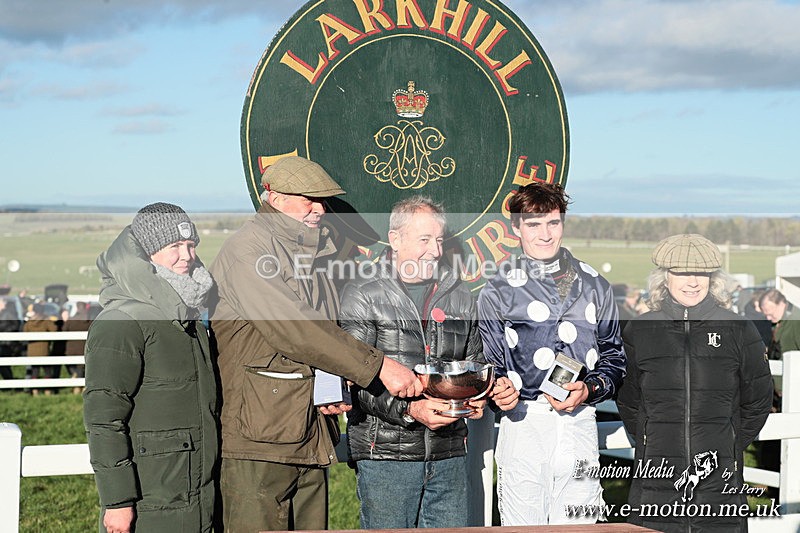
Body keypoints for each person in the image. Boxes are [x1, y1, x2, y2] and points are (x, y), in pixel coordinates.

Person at [209, 156, 421, 531]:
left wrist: (333, 384)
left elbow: (325, 335)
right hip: (260, 438)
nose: (319, 208)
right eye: (308, 198)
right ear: (273, 197)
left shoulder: (310, 252)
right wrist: (379, 366)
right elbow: (294, 330)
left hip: (306, 430)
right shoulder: (249, 251)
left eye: (322, 199)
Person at [339, 196, 520, 529]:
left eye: (438, 240)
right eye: (425, 239)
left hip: (448, 455)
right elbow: (352, 382)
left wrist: (489, 393)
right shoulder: (361, 294)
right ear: (395, 239)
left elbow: (474, 365)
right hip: (387, 459)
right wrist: (410, 411)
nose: (435, 250)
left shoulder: (461, 296)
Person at [477, 183, 625, 525]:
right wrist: (499, 389)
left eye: (553, 223)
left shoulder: (596, 285)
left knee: (580, 526)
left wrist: (590, 389)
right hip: (525, 423)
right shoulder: (497, 291)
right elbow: (491, 365)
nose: (544, 234)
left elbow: (615, 358)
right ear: (516, 228)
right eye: (533, 224)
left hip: (580, 424)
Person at [617, 233, 772, 533]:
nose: (692, 281)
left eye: (700, 273)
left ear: (713, 279)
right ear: (665, 278)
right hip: (656, 480)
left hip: (720, 481)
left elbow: (757, 402)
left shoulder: (739, 330)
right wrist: (653, 442)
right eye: (682, 273)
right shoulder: (640, 330)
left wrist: (724, 443)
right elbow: (629, 401)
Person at [83, 202, 218, 533]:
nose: (186, 255)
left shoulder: (190, 315)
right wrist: (118, 503)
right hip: (149, 502)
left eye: (190, 245)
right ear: (147, 251)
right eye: (173, 246)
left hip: (195, 496)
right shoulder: (121, 322)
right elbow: (103, 419)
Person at [23, 303, 57, 395]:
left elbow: (24, 331)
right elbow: (54, 329)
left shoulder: (30, 321)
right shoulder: (46, 320)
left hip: (32, 351)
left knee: (35, 371)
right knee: (47, 371)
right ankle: (47, 390)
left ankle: (35, 391)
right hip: (44, 350)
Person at [759, 288, 800, 360]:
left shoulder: (796, 320)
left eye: (771, 314)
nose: (768, 318)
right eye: (766, 315)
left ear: (781, 304)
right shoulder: (777, 320)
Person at [64, 301, 91, 394]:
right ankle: (81, 386)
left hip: (71, 348)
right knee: (82, 368)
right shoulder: (89, 320)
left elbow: (64, 330)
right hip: (83, 348)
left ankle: (76, 386)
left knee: (72, 367)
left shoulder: (72, 319)